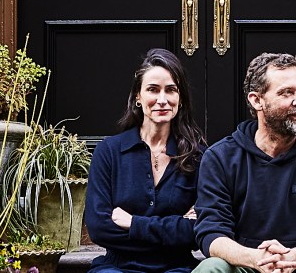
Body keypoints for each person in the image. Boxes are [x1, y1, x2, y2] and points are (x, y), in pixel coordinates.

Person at [193, 53, 296, 273]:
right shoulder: (220, 157)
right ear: (257, 100)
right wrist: (254, 258)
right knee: (211, 267)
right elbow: (212, 233)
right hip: (247, 265)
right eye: (286, 93)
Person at [85, 48, 207, 273]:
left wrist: (133, 223)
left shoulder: (197, 156)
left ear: (180, 98)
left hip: (176, 268)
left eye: (170, 90)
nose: (162, 100)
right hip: (117, 268)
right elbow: (99, 228)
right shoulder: (109, 152)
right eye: (153, 90)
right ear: (138, 97)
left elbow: (197, 231)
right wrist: (174, 227)